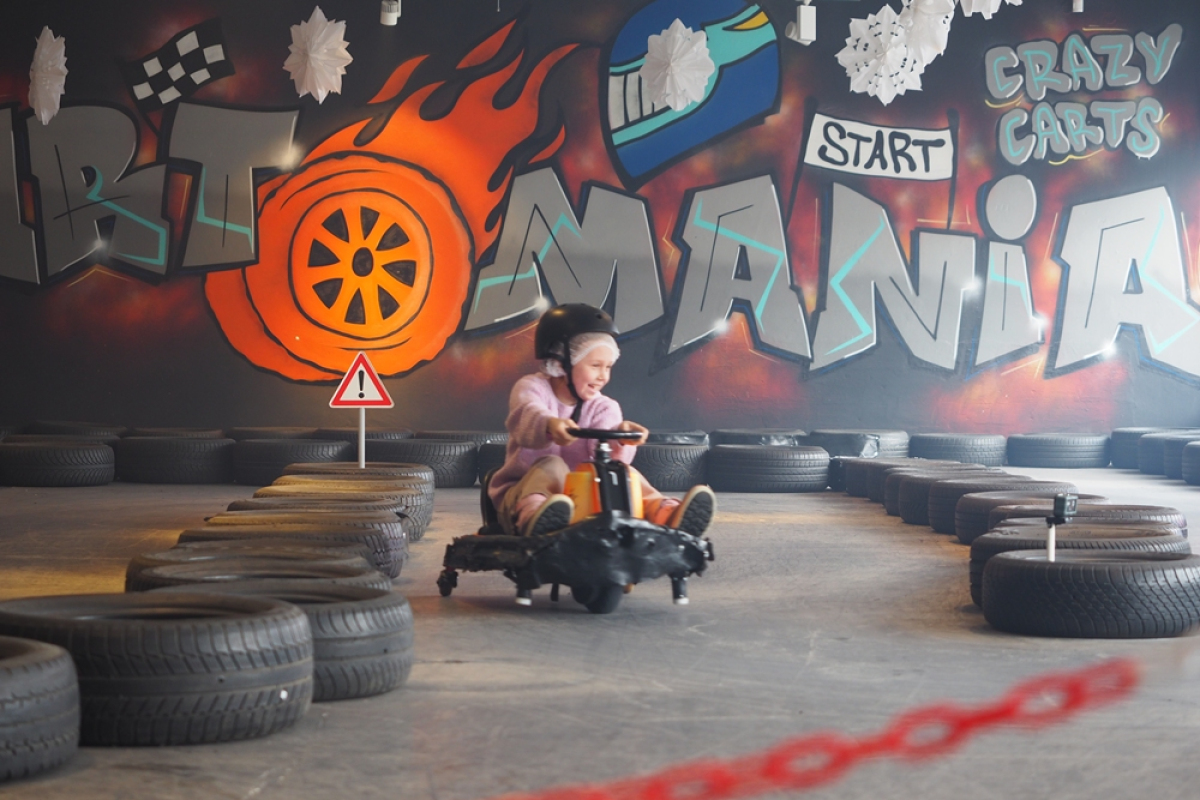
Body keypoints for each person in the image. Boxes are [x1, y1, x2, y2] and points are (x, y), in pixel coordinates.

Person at [488, 303, 716, 537]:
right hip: (519, 497)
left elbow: (605, 455)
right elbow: (526, 414)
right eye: (595, 366)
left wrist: (620, 439)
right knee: (552, 465)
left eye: (608, 367)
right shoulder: (532, 388)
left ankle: (665, 512)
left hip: (585, 499)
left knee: (623, 472)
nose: (603, 377)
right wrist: (549, 424)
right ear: (560, 362)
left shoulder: (604, 406)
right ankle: (536, 516)